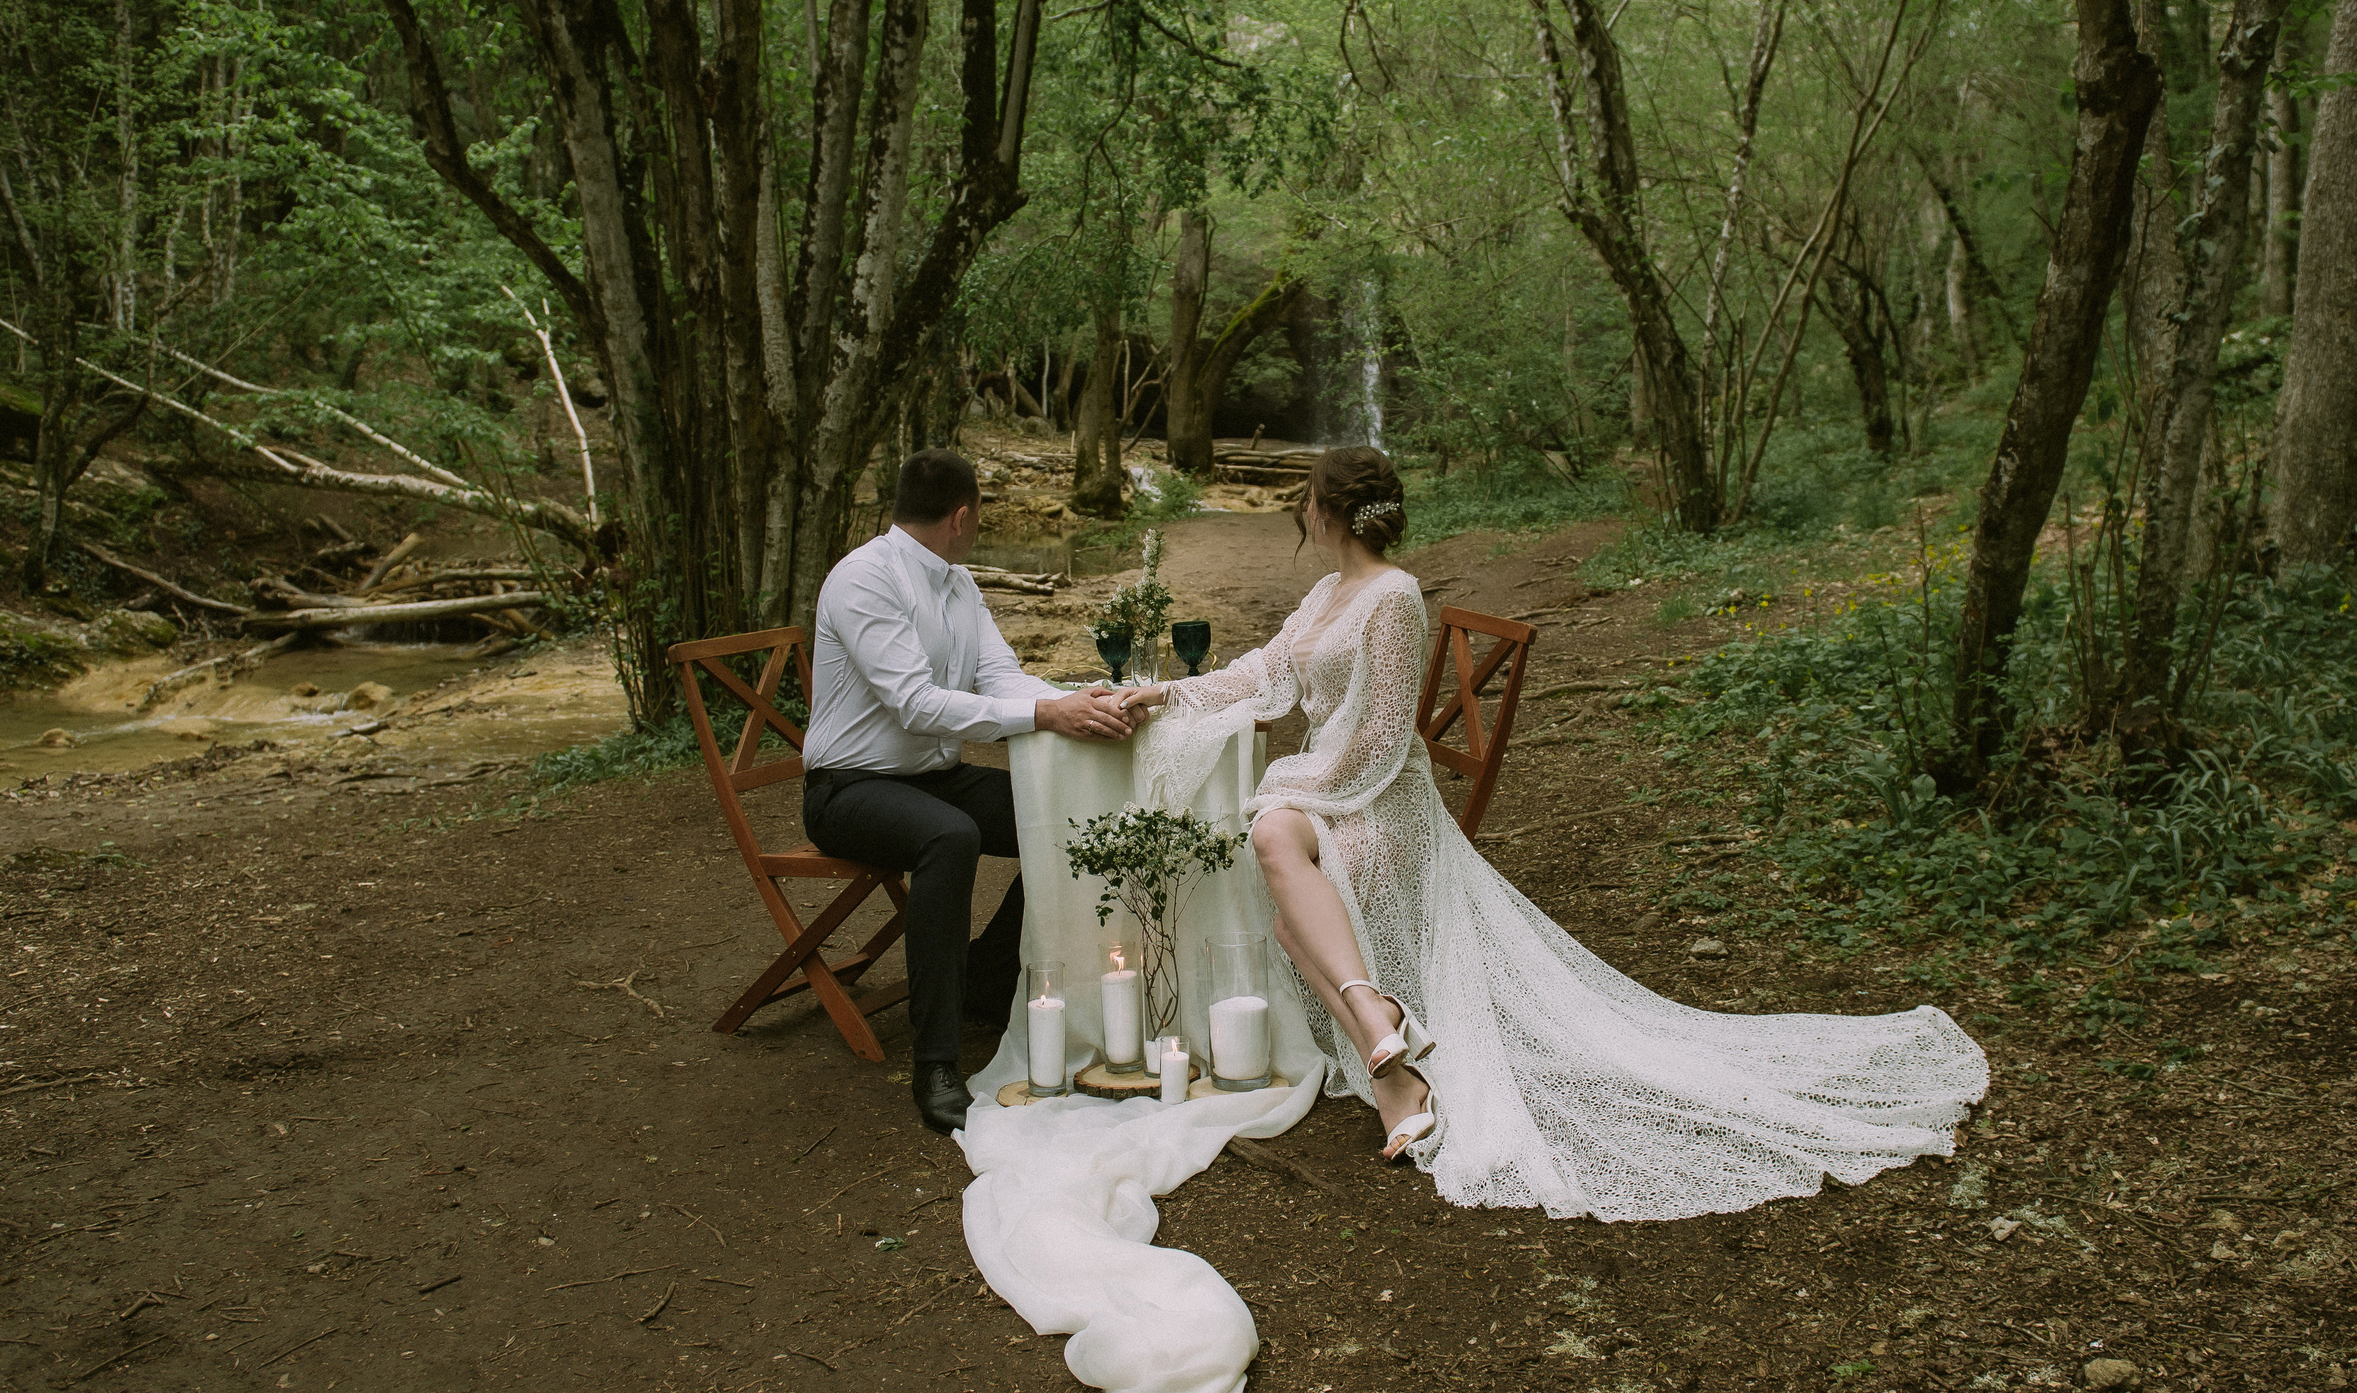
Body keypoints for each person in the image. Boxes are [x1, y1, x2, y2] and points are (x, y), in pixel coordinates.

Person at [1111, 447, 1987, 1220]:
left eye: (1307, 500)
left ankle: (1385, 1051)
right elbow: (1264, 668)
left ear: (1328, 511)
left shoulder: (1394, 596)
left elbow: (1381, 740)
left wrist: (1289, 784)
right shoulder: (1324, 591)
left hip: (1385, 803)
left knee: (1280, 866)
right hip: (1330, 793)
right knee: (1277, 857)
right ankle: (1387, 1049)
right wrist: (1169, 694)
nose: (1301, 512)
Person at [806, 447, 1138, 1135]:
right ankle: (936, 1063)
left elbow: (1000, 676)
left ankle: (986, 977)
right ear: (962, 516)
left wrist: (1083, 700)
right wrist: (1049, 715)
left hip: (934, 778)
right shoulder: (863, 578)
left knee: (1062, 816)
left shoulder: (958, 585)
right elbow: (916, 705)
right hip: (847, 789)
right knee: (948, 836)